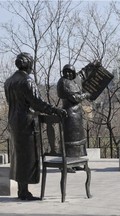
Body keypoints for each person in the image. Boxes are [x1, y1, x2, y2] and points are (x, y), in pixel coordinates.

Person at [4, 52, 67, 201]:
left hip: (14, 121)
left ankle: (22, 190)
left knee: (19, 156)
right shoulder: (27, 81)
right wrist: (55, 110)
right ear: (28, 64)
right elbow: (37, 103)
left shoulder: (8, 81)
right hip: (27, 123)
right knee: (27, 156)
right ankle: (24, 193)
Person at [57, 64, 91, 173]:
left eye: (70, 72)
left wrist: (93, 65)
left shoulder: (75, 80)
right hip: (69, 115)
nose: (68, 74)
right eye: (65, 71)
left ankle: (75, 162)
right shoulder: (63, 83)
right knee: (69, 140)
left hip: (77, 115)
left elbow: (82, 74)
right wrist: (86, 95)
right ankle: (66, 165)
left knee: (77, 140)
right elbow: (75, 98)